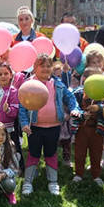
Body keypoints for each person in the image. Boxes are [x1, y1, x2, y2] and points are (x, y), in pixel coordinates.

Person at [19, 54, 81, 196]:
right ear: (35, 68)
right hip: (34, 127)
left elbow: (70, 97)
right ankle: (28, 182)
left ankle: (53, 182)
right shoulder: (28, 85)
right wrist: (24, 123)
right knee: (33, 153)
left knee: (51, 153)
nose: (46, 69)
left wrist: (74, 109)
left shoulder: (57, 84)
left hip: (53, 127)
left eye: (48, 66)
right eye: (42, 66)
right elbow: (22, 107)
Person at [71, 67, 104, 186]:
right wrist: (82, 114)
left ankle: (96, 174)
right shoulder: (78, 92)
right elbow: (73, 105)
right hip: (81, 129)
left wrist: (99, 108)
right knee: (79, 152)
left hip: (97, 130)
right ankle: (78, 173)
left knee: (96, 152)